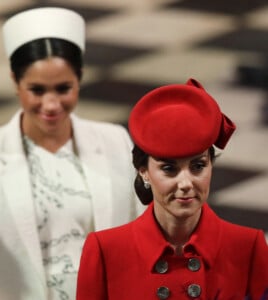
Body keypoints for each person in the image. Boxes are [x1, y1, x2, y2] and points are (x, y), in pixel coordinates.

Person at [0, 7, 143, 300]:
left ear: (80, 78)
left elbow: (144, 240)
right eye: (37, 90)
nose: (51, 104)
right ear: (15, 82)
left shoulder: (115, 141)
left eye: (63, 89)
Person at [77, 78, 268, 299]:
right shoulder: (106, 251)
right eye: (169, 169)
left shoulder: (247, 247)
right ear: (143, 171)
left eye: (198, 166)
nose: (186, 183)